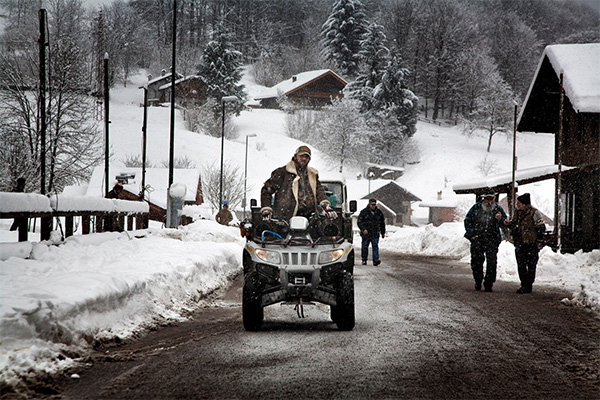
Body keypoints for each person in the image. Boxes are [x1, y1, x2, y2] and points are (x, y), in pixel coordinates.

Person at [260, 145, 336, 222]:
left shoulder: (312, 174)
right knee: (279, 233)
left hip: (309, 217)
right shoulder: (282, 172)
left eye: (306, 157)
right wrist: (266, 209)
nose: (304, 159)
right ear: (295, 156)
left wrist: (325, 204)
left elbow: (319, 190)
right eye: (301, 156)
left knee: (321, 232)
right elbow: (266, 190)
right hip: (285, 218)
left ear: (309, 159)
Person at [464, 191, 507, 292]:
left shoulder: (498, 209)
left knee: (492, 262)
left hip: (492, 239)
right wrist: (472, 235)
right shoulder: (476, 208)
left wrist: (500, 219)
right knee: (476, 262)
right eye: (487, 198)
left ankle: (489, 283)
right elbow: (467, 221)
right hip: (477, 239)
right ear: (483, 198)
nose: (489, 201)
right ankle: (478, 280)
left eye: (491, 198)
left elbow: (504, 222)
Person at [504, 193, 546, 294]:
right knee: (521, 265)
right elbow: (514, 224)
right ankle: (524, 284)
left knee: (531, 266)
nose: (517, 205)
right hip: (519, 243)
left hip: (531, 244)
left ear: (525, 204)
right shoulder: (517, 213)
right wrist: (507, 224)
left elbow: (541, 227)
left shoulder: (534, 213)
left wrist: (538, 241)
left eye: (519, 203)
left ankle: (528, 285)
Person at [357, 198, 385, 266]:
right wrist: (363, 229)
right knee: (365, 246)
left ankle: (375, 260)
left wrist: (383, 232)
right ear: (369, 204)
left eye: (374, 204)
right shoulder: (363, 212)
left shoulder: (379, 213)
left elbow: (382, 223)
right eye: (372, 204)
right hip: (366, 233)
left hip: (375, 233)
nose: (373, 206)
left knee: (375, 246)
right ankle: (364, 259)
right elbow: (359, 222)